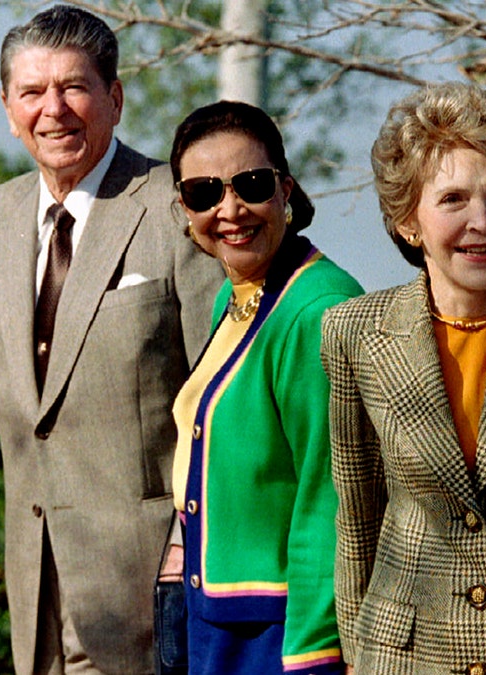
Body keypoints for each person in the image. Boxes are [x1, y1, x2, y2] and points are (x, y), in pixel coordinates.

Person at [0, 5, 222, 674]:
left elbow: (224, 397)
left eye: (74, 87)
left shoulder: (176, 207)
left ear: (114, 98)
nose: (53, 110)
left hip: (157, 593)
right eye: (32, 92)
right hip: (34, 592)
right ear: (8, 109)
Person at [322, 82, 486, 675]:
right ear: (407, 220)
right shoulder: (352, 333)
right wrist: (360, 658)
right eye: (453, 200)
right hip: (403, 657)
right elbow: (358, 519)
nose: (482, 221)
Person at [168, 99, 363, 675]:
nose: (229, 209)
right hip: (219, 619)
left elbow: (329, 498)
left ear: (285, 189)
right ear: (185, 208)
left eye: (249, 184)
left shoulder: (316, 308)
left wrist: (313, 651)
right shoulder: (239, 293)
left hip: (278, 632)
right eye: (204, 193)